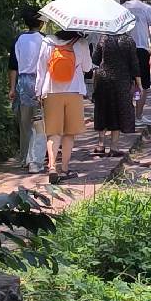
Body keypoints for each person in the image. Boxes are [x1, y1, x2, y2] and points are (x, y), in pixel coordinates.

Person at [35, 21, 91, 183]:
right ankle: (65, 168)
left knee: (53, 132)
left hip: (51, 91)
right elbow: (87, 68)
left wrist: (38, 91)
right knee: (69, 133)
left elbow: (41, 68)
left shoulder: (47, 41)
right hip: (74, 91)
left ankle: (52, 166)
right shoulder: (81, 43)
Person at [92, 22, 141, 158]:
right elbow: (134, 64)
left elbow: (95, 59)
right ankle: (114, 146)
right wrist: (139, 84)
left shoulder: (103, 38)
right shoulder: (129, 41)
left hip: (103, 78)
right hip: (122, 79)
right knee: (118, 110)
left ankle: (100, 145)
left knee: (102, 109)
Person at [8, 8, 44, 169]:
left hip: (22, 83)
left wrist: (12, 88)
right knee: (40, 122)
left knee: (24, 123)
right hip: (40, 82)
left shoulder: (19, 39)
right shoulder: (45, 40)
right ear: (41, 23)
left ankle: (24, 158)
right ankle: (35, 158)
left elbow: (13, 66)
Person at [119, 0, 151, 95]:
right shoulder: (146, 8)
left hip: (124, 47)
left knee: (128, 82)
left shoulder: (123, 7)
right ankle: (138, 114)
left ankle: (128, 111)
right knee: (143, 85)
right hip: (141, 47)